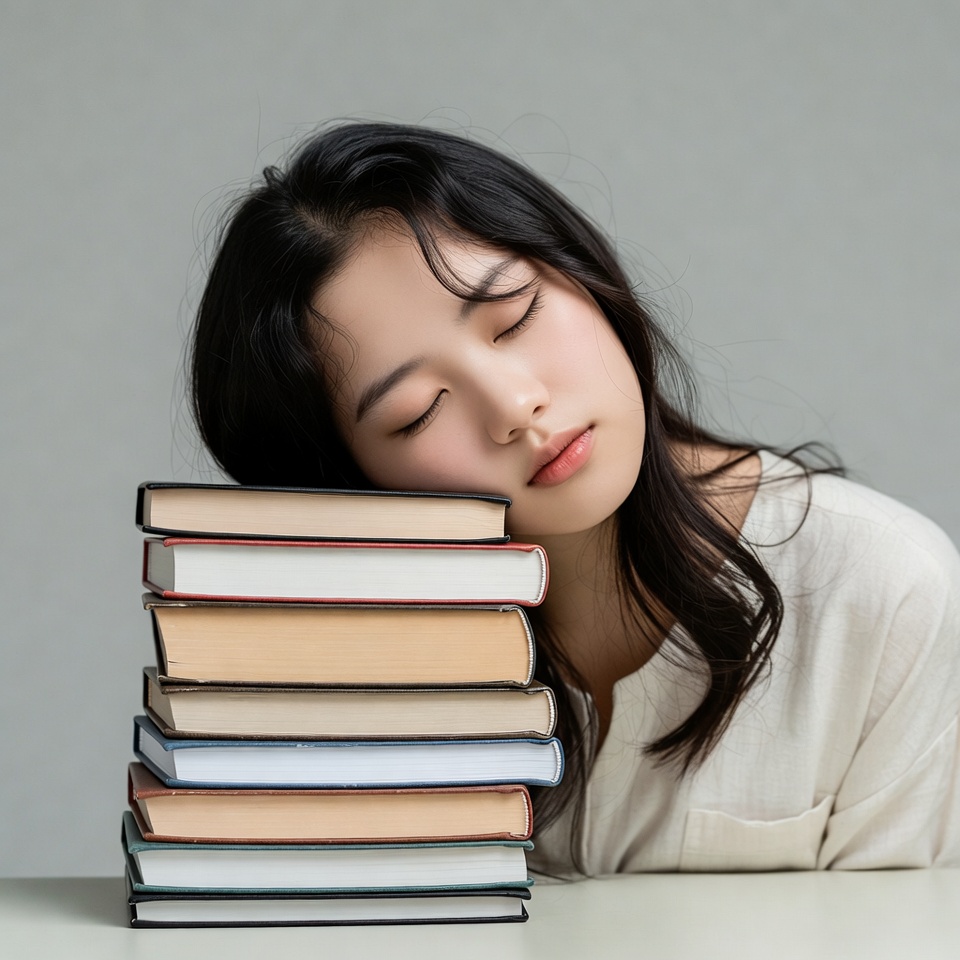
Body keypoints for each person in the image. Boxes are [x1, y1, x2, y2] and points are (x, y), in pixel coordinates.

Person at [190, 121, 960, 873]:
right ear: (350, 482)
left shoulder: (882, 587)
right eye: (418, 410)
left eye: (516, 315)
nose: (514, 406)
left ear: (586, 276)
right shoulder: (340, 667)